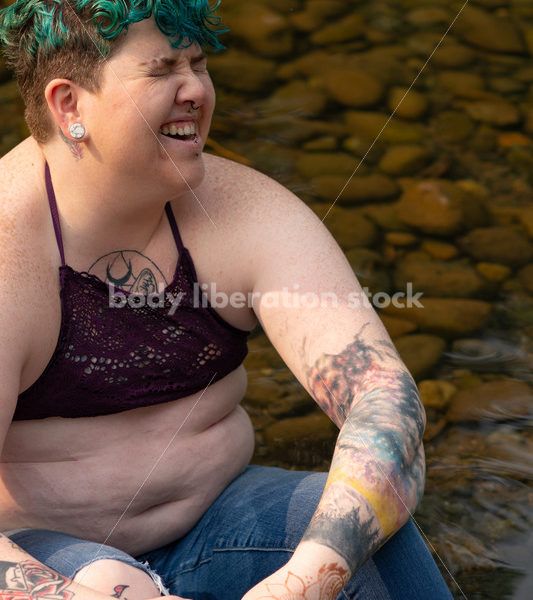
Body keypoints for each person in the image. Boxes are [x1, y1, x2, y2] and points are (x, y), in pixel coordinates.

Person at [0, 1, 453, 599]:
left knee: (366, 532)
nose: (196, 90)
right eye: (162, 70)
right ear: (70, 105)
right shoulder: (12, 250)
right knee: (116, 587)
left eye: (199, 63)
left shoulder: (245, 212)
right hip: (49, 548)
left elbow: (385, 401)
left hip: (219, 523)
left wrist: (308, 578)